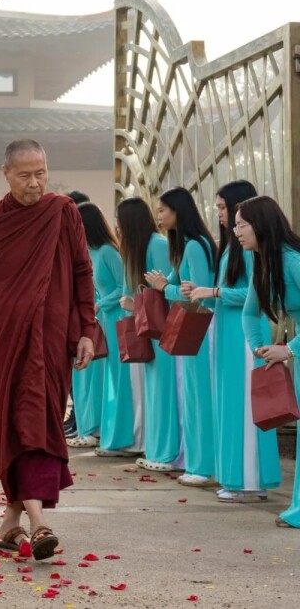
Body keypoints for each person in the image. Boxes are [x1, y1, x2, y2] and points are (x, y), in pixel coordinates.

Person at [0, 139, 96, 560]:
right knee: (22, 422)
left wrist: (87, 329)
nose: (35, 183)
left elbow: (82, 271)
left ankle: (10, 523)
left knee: (42, 419)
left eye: (41, 173)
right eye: (24, 175)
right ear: (6, 174)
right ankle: (38, 523)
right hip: (7, 342)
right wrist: (12, 309)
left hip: (52, 339)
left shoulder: (62, 212)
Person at [190, 182, 280, 502]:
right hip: (227, 334)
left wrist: (214, 292)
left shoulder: (250, 248)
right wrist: (204, 295)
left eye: (222, 207)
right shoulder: (231, 246)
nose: (219, 213)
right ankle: (234, 476)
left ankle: (251, 482)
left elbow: (255, 294)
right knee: (229, 407)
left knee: (246, 406)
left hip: (245, 336)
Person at [145, 187, 218, 487]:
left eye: (163, 210)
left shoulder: (195, 247)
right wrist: (167, 286)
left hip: (198, 328)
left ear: (178, 211)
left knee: (199, 398)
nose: (159, 216)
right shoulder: (187, 246)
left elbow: (199, 294)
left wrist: (165, 288)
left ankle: (204, 466)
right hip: (192, 329)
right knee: (191, 398)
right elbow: (180, 287)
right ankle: (195, 462)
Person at [236, 195, 300, 529]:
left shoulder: (292, 261)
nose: (236, 232)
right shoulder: (263, 263)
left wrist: (288, 349)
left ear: (261, 225)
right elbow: (249, 314)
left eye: (242, 225)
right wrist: (259, 349)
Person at [116, 197, 180, 472]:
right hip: (146, 329)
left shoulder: (157, 245)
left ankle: (166, 452)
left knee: (162, 392)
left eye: (120, 220)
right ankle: (155, 449)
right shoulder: (135, 248)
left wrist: (136, 305)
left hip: (161, 329)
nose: (117, 226)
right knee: (151, 392)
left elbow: (166, 293)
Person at [75, 202, 141, 457]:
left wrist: (100, 304)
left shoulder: (107, 252)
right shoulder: (88, 252)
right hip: (100, 320)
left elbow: (124, 287)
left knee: (116, 376)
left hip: (115, 318)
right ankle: (101, 429)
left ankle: (117, 435)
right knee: (103, 378)